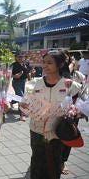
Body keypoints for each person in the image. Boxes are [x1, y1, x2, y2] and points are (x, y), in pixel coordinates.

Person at [20, 51, 81, 179]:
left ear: (60, 64)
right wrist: (24, 105)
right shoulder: (35, 83)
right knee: (36, 161)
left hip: (57, 132)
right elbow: (25, 101)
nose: (45, 66)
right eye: (44, 62)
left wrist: (77, 111)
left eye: (49, 63)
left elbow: (83, 102)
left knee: (54, 163)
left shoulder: (70, 85)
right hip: (36, 130)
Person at [11, 52, 29, 121]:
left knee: (18, 96)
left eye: (22, 57)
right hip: (16, 83)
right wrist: (14, 76)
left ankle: (12, 101)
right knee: (21, 97)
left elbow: (28, 71)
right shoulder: (13, 65)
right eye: (19, 57)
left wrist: (31, 72)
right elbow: (8, 73)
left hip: (23, 82)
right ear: (15, 57)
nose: (21, 58)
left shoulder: (25, 64)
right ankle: (22, 115)